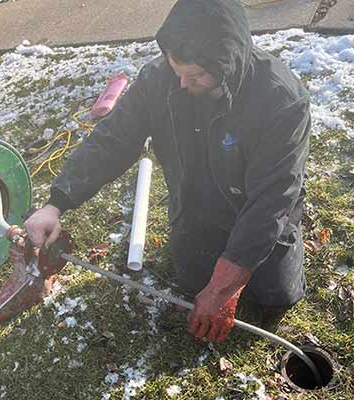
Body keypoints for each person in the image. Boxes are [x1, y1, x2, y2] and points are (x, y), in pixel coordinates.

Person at [24, 0, 311, 343]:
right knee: (192, 283)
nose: (181, 83)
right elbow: (114, 139)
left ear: (227, 64)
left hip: (256, 213)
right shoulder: (160, 81)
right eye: (177, 70)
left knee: (277, 296)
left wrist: (224, 286)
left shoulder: (281, 100)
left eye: (196, 75)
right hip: (196, 209)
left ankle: (267, 261)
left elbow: (272, 199)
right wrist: (57, 202)